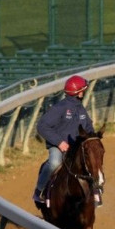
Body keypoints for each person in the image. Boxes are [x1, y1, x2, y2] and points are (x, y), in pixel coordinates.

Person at [33, 75, 97, 205]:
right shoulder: (59, 108)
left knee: (93, 162)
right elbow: (42, 126)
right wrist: (59, 142)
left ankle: (96, 192)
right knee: (55, 163)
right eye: (83, 90)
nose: (84, 92)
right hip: (58, 146)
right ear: (78, 92)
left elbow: (89, 128)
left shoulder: (81, 109)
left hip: (76, 148)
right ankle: (39, 191)